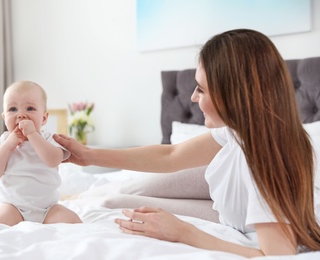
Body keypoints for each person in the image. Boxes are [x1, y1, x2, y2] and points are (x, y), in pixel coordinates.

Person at [54, 29, 320, 257]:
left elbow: (276, 256)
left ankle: (85, 195)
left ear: (234, 94)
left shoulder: (268, 161)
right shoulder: (241, 131)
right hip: (232, 213)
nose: (193, 97)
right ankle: (78, 195)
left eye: (201, 89)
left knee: (114, 203)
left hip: (237, 217)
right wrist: (88, 155)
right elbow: (171, 155)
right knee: (128, 189)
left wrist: (183, 232)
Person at [0, 80, 82, 226]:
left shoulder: (49, 138)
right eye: (13, 109)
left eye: (30, 108)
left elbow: (53, 160)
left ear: (43, 118)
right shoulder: (2, 142)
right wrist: (8, 146)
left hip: (47, 208)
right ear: (4, 118)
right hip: (13, 206)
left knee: (73, 221)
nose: (21, 115)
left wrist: (33, 135)